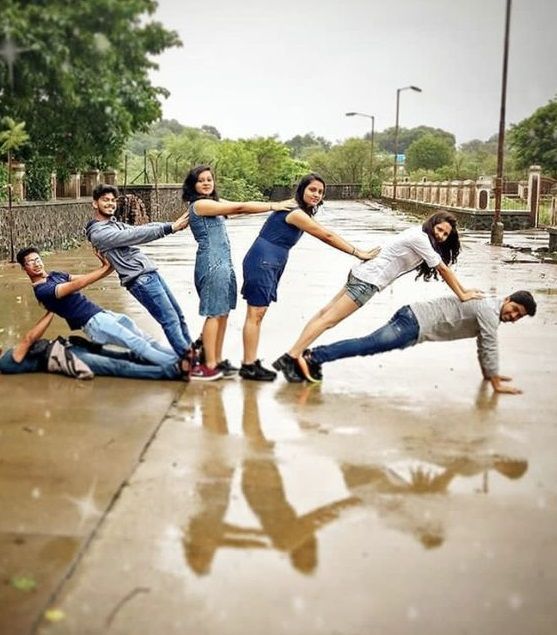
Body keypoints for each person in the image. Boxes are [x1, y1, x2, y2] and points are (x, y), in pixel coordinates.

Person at [274, 210, 483, 382]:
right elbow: (443, 269)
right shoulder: (420, 238)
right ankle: (292, 356)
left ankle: (294, 353)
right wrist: (463, 294)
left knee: (324, 315)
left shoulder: (419, 235)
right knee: (328, 320)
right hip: (367, 282)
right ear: (432, 224)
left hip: (362, 274)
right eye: (439, 230)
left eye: (445, 235)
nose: (441, 236)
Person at [239, 173, 380, 381]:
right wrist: (358, 252)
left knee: (258, 313)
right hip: (263, 261)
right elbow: (326, 235)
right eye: (312, 190)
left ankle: (250, 363)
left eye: (320, 192)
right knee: (255, 313)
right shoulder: (296, 213)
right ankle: (248, 366)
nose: (316, 194)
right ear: (302, 189)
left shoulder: (299, 210)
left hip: (271, 262)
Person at [292, 290, 536, 394]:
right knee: (367, 345)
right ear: (507, 299)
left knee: (368, 345)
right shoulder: (490, 312)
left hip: (412, 318)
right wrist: (495, 383)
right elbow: (490, 345)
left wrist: (488, 375)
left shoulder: (490, 308)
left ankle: (315, 356)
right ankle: (314, 357)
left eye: (519, 316)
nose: (513, 316)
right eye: (514, 309)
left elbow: (484, 345)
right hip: (414, 323)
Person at [181, 165, 295, 381]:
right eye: (201, 180)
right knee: (214, 313)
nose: (206, 183)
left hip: (223, 263)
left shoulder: (214, 203)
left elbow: (240, 207)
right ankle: (209, 365)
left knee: (223, 312)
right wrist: (275, 205)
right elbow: (241, 207)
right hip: (211, 264)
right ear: (193, 185)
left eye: (209, 179)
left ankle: (218, 360)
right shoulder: (201, 204)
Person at [15, 247, 183, 373]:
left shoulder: (54, 275)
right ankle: (178, 367)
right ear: (24, 268)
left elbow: (88, 278)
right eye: (30, 262)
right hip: (93, 323)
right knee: (137, 343)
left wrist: (108, 265)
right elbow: (77, 285)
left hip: (102, 315)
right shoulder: (42, 290)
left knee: (146, 339)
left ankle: (183, 357)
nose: (36, 263)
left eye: (37, 259)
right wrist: (103, 269)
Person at [85, 183, 194, 376]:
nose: (110, 204)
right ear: (95, 203)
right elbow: (134, 235)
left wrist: (173, 224)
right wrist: (170, 228)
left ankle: (191, 357)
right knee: (169, 320)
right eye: (105, 200)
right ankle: (187, 364)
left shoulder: (113, 224)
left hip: (150, 274)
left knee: (178, 317)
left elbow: (143, 227)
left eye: (112, 201)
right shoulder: (99, 233)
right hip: (140, 280)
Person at [0, 311, 182, 380]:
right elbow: (29, 339)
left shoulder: (6, 356)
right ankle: (172, 371)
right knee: (118, 366)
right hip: (69, 358)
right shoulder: (6, 362)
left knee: (124, 356)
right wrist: (51, 310)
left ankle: (172, 361)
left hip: (69, 347)